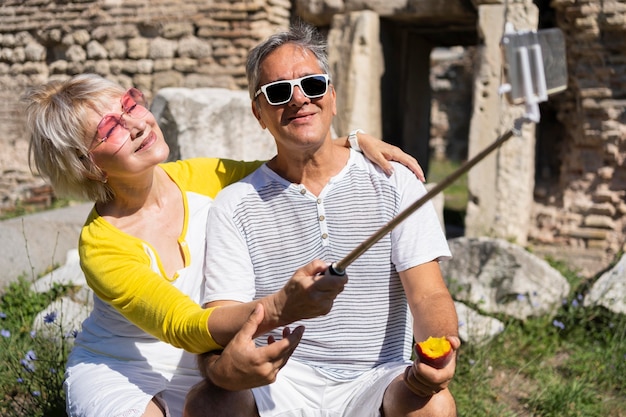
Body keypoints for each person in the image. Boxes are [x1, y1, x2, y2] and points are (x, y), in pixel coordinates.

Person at [22, 73, 424, 417]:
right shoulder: (101, 245)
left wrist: (349, 144)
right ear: (86, 164)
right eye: (109, 128)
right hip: (126, 365)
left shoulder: (203, 176)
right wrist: (280, 306)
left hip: (211, 364)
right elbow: (183, 326)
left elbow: (287, 170)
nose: (137, 124)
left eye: (130, 105)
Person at [198, 22, 460, 417]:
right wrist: (233, 364)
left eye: (313, 85)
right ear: (259, 112)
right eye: (279, 91)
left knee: (434, 405)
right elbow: (221, 313)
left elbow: (428, 294)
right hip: (281, 377)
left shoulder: (394, 181)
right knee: (209, 403)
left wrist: (438, 350)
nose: (299, 99)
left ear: (332, 97)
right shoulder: (234, 204)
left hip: (375, 377)